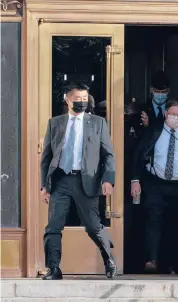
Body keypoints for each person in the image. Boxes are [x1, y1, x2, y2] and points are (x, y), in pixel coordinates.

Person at [40, 82, 116, 280]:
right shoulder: (54, 123)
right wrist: (44, 186)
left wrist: (108, 179)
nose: (82, 102)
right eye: (77, 99)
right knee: (53, 226)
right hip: (61, 180)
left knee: (93, 226)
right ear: (67, 99)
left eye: (84, 99)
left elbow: (108, 154)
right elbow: (46, 157)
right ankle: (54, 268)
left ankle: (109, 260)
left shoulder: (98, 123)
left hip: (87, 180)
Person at [130, 99, 178, 274]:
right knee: (153, 222)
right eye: (172, 114)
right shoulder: (153, 132)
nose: (175, 118)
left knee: (176, 225)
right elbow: (138, 155)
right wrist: (135, 179)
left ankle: (173, 264)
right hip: (155, 184)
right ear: (165, 114)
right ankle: (152, 260)